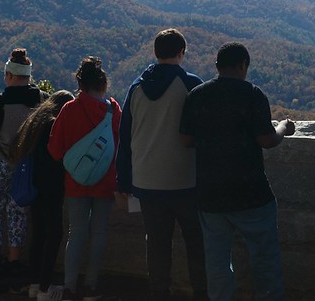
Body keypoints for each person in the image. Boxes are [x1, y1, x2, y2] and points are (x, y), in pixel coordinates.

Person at [180, 42, 295, 301]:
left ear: (217, 66)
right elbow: (266, 139)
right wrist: (283, 127)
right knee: (264, 258)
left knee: (217, 261)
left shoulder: (197, 95)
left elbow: (186, 140)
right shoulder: (252, 94)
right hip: (251, 192)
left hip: (209, 194)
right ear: (243, 65)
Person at [116, 29, 208, 301]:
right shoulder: (192, 85)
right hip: (186, 180)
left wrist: (123, 180)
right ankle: (202, 294)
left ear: (155, 53)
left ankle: (159, 294)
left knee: (157, 245)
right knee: (196, 243)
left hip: (146, 182)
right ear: (181, 53)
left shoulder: (136, 88)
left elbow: (125, 137)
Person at [48, 56, 122, 301]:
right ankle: (91, 286)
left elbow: (55, 149)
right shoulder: (113, 110)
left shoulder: (69, 109)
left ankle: (70, 287)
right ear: (103, 84)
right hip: (105, 182)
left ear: (80, 84)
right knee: (99, 233)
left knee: (76, 233)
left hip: (75, 183)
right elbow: (120, 147)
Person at [0, 48, 47, 273]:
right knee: (18, 212)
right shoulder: (41, 99)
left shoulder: (2, 101)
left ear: (9, 75)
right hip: (25, 166)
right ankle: (15, 260)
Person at [12, 89, 75, 301]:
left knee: (38, 235)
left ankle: (34, 283)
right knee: (55, 234)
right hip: (52, 186)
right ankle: (45, 289)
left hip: (35, 186)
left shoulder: (36, 122)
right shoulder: (54, 123)